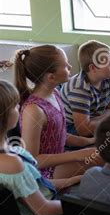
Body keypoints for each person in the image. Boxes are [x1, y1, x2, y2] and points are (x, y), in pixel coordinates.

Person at [0, 80, 80, 215]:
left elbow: (34, 184)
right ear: (4, 116)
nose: (19, 108)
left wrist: (71, 180)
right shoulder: (13, 163)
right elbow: (43, 209)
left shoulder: (13, 152)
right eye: (15, 106)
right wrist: (81, 206)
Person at [14, 45, 100, 180]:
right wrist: (77, 155)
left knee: (107, 150)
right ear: (51, 77)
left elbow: (58, 134)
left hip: (59, 160)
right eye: (66, 66)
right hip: (43, 174)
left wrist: (89, 141)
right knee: (106, 159)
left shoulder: (55, 93)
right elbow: (32, 160)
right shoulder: (33, 110)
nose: (70, 67)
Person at [61, 40, 110, 137]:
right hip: (72, 128)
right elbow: (83, 130)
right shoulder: (79, 89)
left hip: (96, 119)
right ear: (93, 68)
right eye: (108, 63)